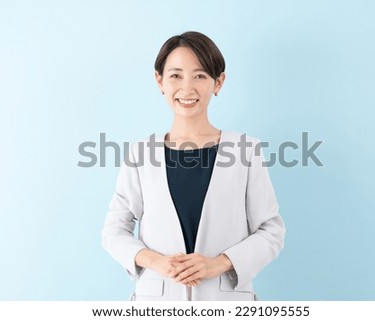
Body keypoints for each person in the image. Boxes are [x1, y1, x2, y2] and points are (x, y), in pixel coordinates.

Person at [101, 31, 285, 301]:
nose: (187, 88)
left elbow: (271, 230)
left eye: (200, 76)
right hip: (157, 301)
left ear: (218, 82)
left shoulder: (246, 151)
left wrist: (219, 263)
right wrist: (156, 261)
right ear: (159, 80)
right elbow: (114, 230)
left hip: (225, 301)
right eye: (176, 75)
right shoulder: (140, 153)